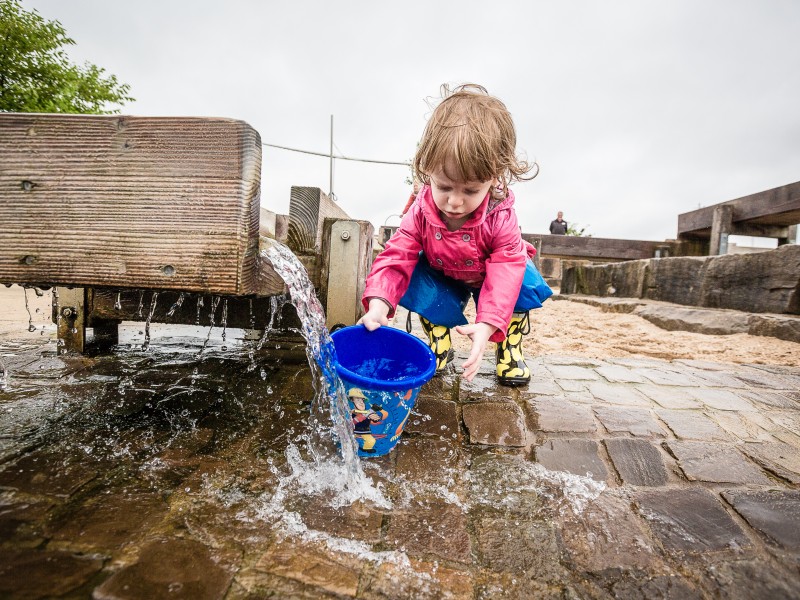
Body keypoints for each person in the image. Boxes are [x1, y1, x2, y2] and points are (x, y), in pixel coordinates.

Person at [358, 84, 552, 386]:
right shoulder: (421, 212)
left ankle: (508, 344)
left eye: (471, 190)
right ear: (427, 171)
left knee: (520, 282)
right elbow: (397, 255)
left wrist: (486, 325)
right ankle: (439, 342)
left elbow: (505, 269)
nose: (455, 201)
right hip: (445, 272)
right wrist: (379, 305)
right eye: (444, 187)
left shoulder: (500, 216)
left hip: (492, 274)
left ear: (495, 178)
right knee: (420, 282)